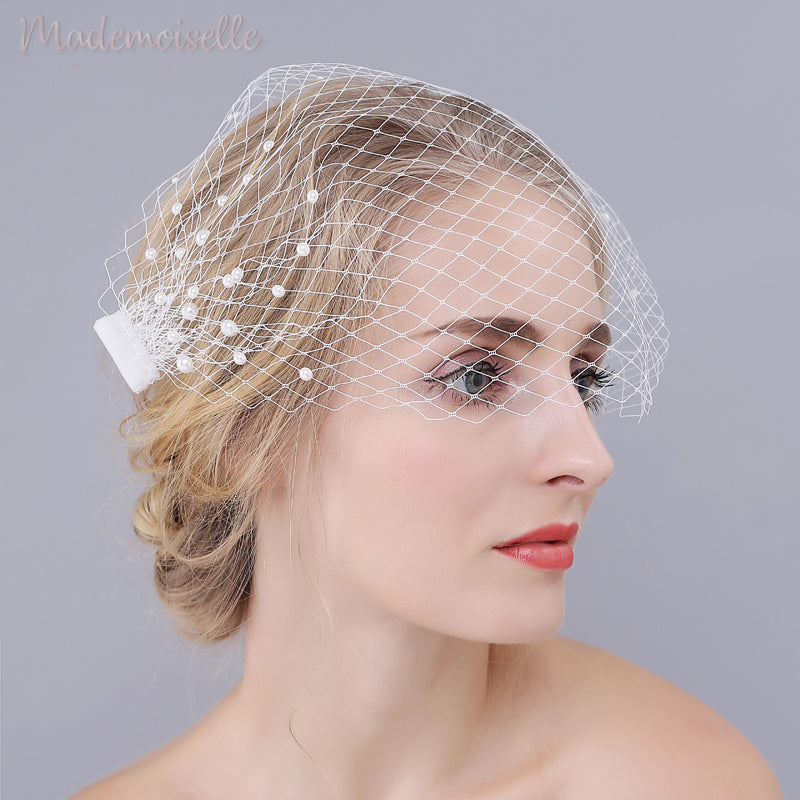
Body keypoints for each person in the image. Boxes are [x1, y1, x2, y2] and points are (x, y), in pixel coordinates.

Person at [74, 64, 782, 799]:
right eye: (476, 377)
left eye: (584, 378)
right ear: (251, 430)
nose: (589, 458)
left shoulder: (684, 781)